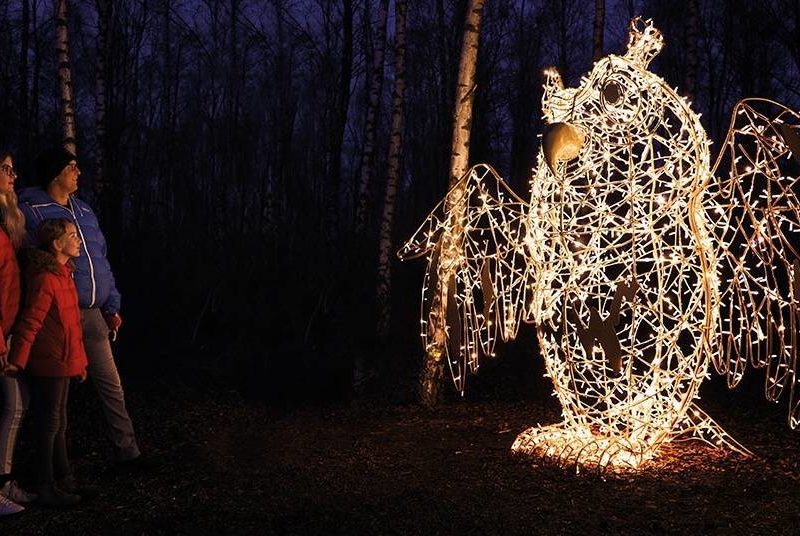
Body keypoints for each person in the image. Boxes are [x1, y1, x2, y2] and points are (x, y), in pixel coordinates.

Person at [18, 147, 150, 469]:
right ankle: (49, 465)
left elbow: (100, 262)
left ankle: (128, 452)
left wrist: (112, 303)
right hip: (58, 313)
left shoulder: (86, 212)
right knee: (54, 395)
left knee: (111, 383)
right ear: (55, 173)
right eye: (72, 167)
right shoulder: (32, 209)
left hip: (93, 315)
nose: (78, 172)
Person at [7, 218, 87, 507]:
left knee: (59, 421)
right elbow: (32, 321)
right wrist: (17, 361)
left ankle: (63, 477)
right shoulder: (46, 278)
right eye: (72, 235)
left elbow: (72, 325)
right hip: (49, 362)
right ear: (56, 244)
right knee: (49, 424)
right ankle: (45, 485)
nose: (78, 240)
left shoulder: (65, 274)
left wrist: (80, 363)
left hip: (64, 361)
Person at [0, 151, 36, 516]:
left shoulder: (9, 228)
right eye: (6, 169)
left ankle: (5, 483)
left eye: (14, 169)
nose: (14, 176)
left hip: (7, 331)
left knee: (17, 404)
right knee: (14, 404)